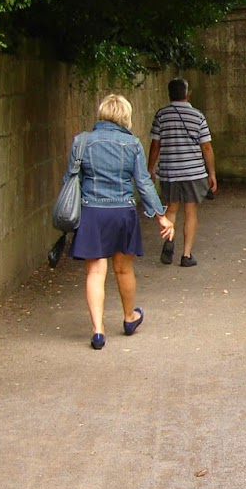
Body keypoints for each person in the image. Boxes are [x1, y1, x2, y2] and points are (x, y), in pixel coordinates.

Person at [65, 94, 174, 350]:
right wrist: (161, 215)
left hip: (92, 212)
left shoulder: (82, 142)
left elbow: (70, 180)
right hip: (122, 212)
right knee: (123, 269)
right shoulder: (133, 144)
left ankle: (98, 331)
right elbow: (143, 183)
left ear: (102, 113)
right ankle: (129, 317)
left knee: (95, 271)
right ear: (125, 115)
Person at [149, 78, 218, 268]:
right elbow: (206, 147)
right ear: (187, 94)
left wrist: (151, 168)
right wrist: (211, 173)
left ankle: (169, 242)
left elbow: (155, 144)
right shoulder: (198, 116)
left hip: (170, 171)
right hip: (194, 173)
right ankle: (186, 256)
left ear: (169, 94)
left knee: (171, 208)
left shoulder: (161, 115)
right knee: (190, 211)